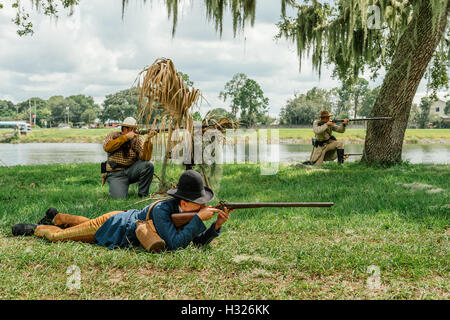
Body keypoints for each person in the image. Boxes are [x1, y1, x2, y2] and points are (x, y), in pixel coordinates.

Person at [11, 170, 231, 252]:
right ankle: (37, 228)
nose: (203, 206)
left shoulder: (187, 214)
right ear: (185, 201)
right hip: (112, 226)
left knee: (86, 224)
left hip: (117, 219)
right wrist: (198, 219)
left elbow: (196, 241)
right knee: (60, 237)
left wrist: (216, 226)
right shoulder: (164, 210)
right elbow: (173, 244)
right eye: (199, 202)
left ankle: (58, 217)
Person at [103, 117, 155, 199]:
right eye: (132, 129)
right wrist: (126, 137)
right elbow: (107, 147)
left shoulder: (137, 140)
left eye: (135, 129)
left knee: (149, 165)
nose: (134, 131)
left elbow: (145, 158)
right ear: (124, 129)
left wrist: (147, 140)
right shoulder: (113, 135)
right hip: (116, 174)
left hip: (131, 171)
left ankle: (143, 195)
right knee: (119, 199)